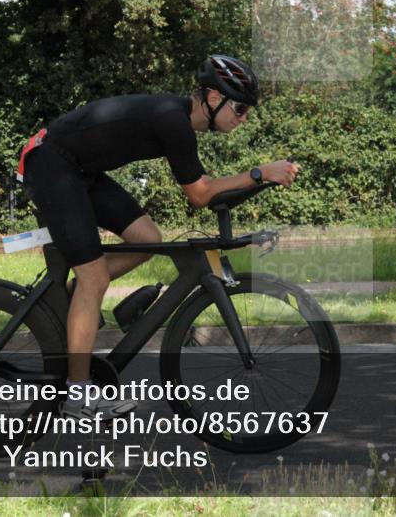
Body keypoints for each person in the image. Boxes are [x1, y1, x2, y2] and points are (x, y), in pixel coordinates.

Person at [17, 55, 299, 420]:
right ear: (214, 98)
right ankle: (78, 398)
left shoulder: (179, 121)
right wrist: (259, 173)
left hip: (80, 169)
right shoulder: (173, 121)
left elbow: (206, 190)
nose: (244, 118)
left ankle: (72, 299)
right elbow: (200, 194)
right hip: (51, 164)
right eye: (241, 108)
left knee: (146, 238)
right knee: (95, 278)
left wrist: (258, 179)